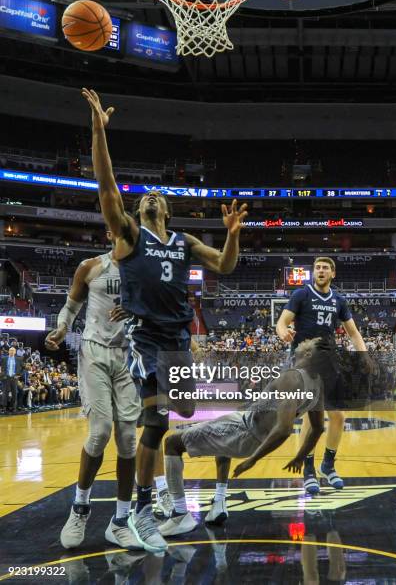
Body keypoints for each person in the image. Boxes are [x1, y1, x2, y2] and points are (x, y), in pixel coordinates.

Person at [82, 87, 248, 553]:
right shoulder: (130, 234)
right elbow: (106, 185)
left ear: (168, 211)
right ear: (136, 212)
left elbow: (226, 266)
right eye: (146, 195)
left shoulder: (183, 240)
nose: (151, 196)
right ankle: (140, 510)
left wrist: (233, 235)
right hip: (147, 340)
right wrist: (98, 131)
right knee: (153, 422)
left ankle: (158, 488)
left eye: (158, 194)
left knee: (187, 412)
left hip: (178, 341)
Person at [158, 337, 325, 536]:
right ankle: (219, 502)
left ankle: (179, 514)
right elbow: (317, 428)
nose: (301, 341)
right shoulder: (317, 384)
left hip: (246, 431)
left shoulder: (293, 377)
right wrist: (300, 457)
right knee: (221, 442)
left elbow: (284, 428)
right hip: (247, 425)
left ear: (308, 354)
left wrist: (252, 461)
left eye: (307, 342)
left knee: (172, 443)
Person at [45, 231, 141, 550]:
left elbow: (162, 312)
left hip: (129, 355)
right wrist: (62, 328)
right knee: (99, 431)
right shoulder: (90, 267)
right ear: (110, 232)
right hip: (94, 351)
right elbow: (70, 308)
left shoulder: (145, 270)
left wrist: (138, 313)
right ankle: (80, 508)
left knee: (128, 439)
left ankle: (120, 521)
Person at [276, 256, 370, 494]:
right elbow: (282, 321)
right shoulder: (301, 295)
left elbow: (353, 332)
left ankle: (328, 465)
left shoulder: (339, 300)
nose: (320, 270)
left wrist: (364, 356)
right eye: (317, 267)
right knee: (311, 416)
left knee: (338, 416)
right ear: (313, 273)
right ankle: (308, 469)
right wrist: (283, 331)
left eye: (325, 268)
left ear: (332, 274)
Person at [0, 346, 24, 414]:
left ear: (15, 352)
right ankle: (4, 408)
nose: (11, 352)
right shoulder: (4, 358)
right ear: (8, 351)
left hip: (14, 378)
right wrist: (2, 375)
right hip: (5, 377)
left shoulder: (19, 359)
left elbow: (23, 367)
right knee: (5, 393)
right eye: (10, 350)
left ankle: (13, 407)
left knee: (14, 393)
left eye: (13, 350)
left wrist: (19, 375)